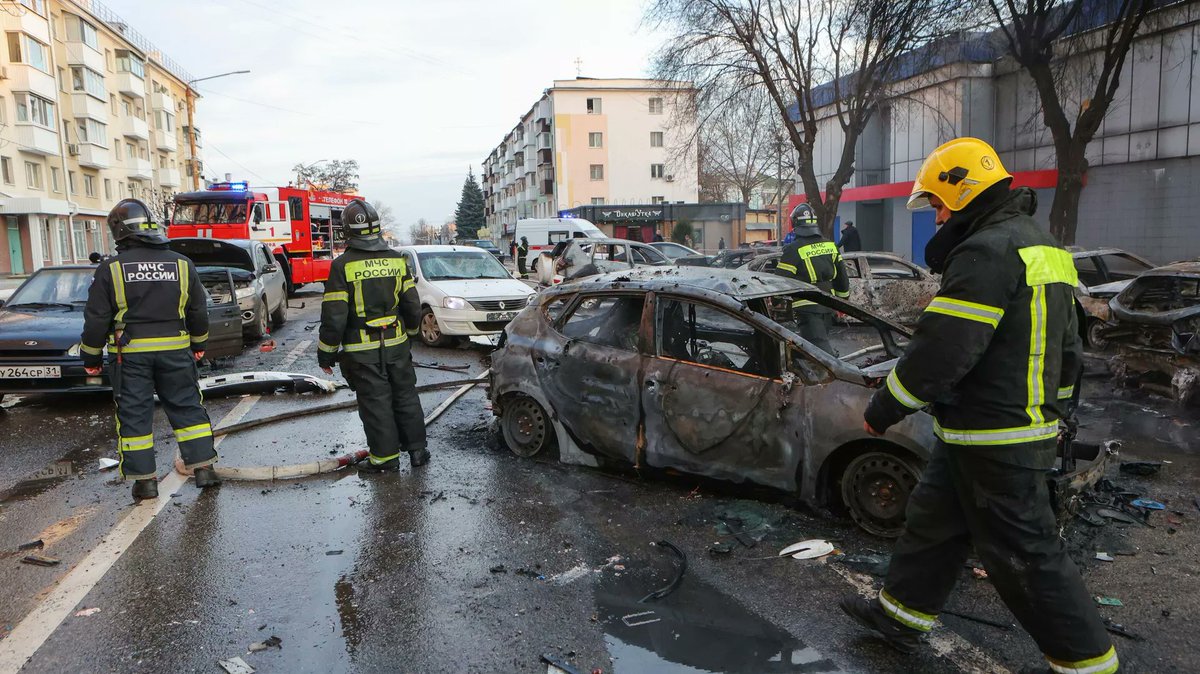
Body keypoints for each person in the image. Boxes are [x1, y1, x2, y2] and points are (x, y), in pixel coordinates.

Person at [842, 138, 1116, 674]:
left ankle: (1089, 663)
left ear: (963, 192)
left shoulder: (986, 251)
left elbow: (943, 348)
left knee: (1025, 555)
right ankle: (900, 619)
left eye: (940, 203)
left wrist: (884, 408)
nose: (939, 215)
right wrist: (1054, 415)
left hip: (996, 435)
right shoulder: (1044, 247)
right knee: (933, 524)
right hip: (985, 430)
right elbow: (1068, 348)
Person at [80, 199, 218, 500]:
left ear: (118, 231)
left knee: (135, 415)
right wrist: (199, 345)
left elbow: (96, 319)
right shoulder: (182, 264)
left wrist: (90, 357)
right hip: (177, 351)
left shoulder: (111, 269)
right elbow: (198, 310)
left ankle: (145, 482)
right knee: (187, 407)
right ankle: (204, 468)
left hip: (130, 357)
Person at [319, 199, 428, 472]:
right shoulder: (397, 260)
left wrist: (326, 353)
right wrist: (410, 334)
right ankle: (417, 452)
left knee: (376, 403)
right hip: (397, 345)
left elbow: (334, 315)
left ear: (347, 231)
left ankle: (385, 459)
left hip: (362, 350)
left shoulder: (342, 265)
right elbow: (412, 305)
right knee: (406, 396)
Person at [773, 203, 849, 355]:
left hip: (807, 308)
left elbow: (781, 281)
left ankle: (833, 373)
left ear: (795, 223)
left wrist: (775, 301)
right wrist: (843, 304)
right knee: (818, 345)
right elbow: (842, 277)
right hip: (828, 305)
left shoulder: (793, 249)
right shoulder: (830, 245)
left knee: (819, 351)